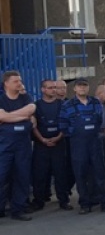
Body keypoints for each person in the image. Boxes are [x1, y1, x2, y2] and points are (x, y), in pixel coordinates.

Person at [59, 79, 105, 213]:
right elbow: (63, 125)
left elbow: (99, 120)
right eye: (79, 86)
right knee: (80, 174)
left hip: (95, 142)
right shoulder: (67, 105)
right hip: (78, 144)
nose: (82, 88)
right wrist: (75, 133)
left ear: (88, 88)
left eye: (85, 86)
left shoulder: (95, 102)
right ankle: (85, 204)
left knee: (100, 173)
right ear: (74, 89)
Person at [0, 71, 36, 221]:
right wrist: (22, 117)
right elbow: (1, 116)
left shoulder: (25, 97)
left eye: (20, 80)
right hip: (4, 146)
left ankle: (18, 210)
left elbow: (31, 109)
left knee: (22, 177)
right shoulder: (1, 99)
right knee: (1, 177)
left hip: (23, 145)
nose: (19, 83)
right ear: (6, 83)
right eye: (16, 81)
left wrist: (9, 116)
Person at [31, 79, 70, 211]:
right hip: (41, 145)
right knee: (40, 175)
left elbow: (66, 123)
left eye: (54, 87)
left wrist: (58, 137)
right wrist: (42, 139)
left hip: (59, 144)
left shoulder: (63, 105)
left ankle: (64, 201)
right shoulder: (36, 106)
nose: (53, 90)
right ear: (43, 89)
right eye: (50, 88)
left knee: (60, 174)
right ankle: (38, 202)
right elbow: (33, 125)